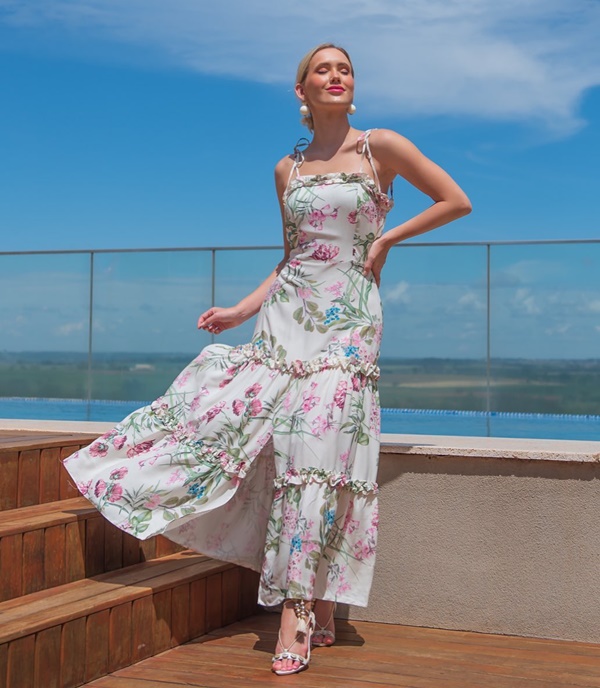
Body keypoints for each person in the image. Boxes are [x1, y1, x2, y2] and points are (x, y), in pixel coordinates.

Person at [63, 43, 471, 677]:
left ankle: (296, 610)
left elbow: (455, 200)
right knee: (284, 448)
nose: (336, 77)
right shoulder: (287, 168)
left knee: (317, 454)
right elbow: (291, 258)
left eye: (345, 69)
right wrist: (240, 310)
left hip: (350, 321)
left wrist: (387, 235)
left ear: (351, 86)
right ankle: (320, 604)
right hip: (288, 319)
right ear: (302, 91)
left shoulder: (379, 147)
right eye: (323, 70)